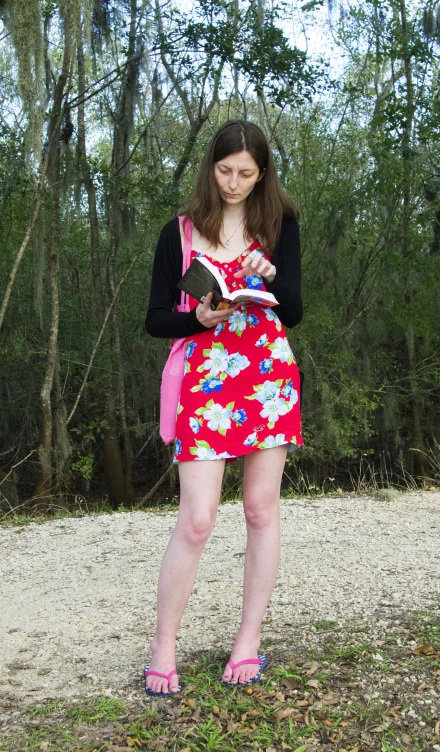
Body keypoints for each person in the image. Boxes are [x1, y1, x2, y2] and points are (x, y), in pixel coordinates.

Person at [144, 120, 304, 696]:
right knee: (198, 518)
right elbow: (156, 317)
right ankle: (164, 647)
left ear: (262, 175)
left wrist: (272, 277)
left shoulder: (279, 225)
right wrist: (198, 319)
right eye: (225, 171)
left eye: (247, 173)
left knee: (261, 511)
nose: (234, 183)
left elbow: (293, 313)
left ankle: (248, 642)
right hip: (205, 382)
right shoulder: (179, 232)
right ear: (210, 169)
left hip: (267, 377)